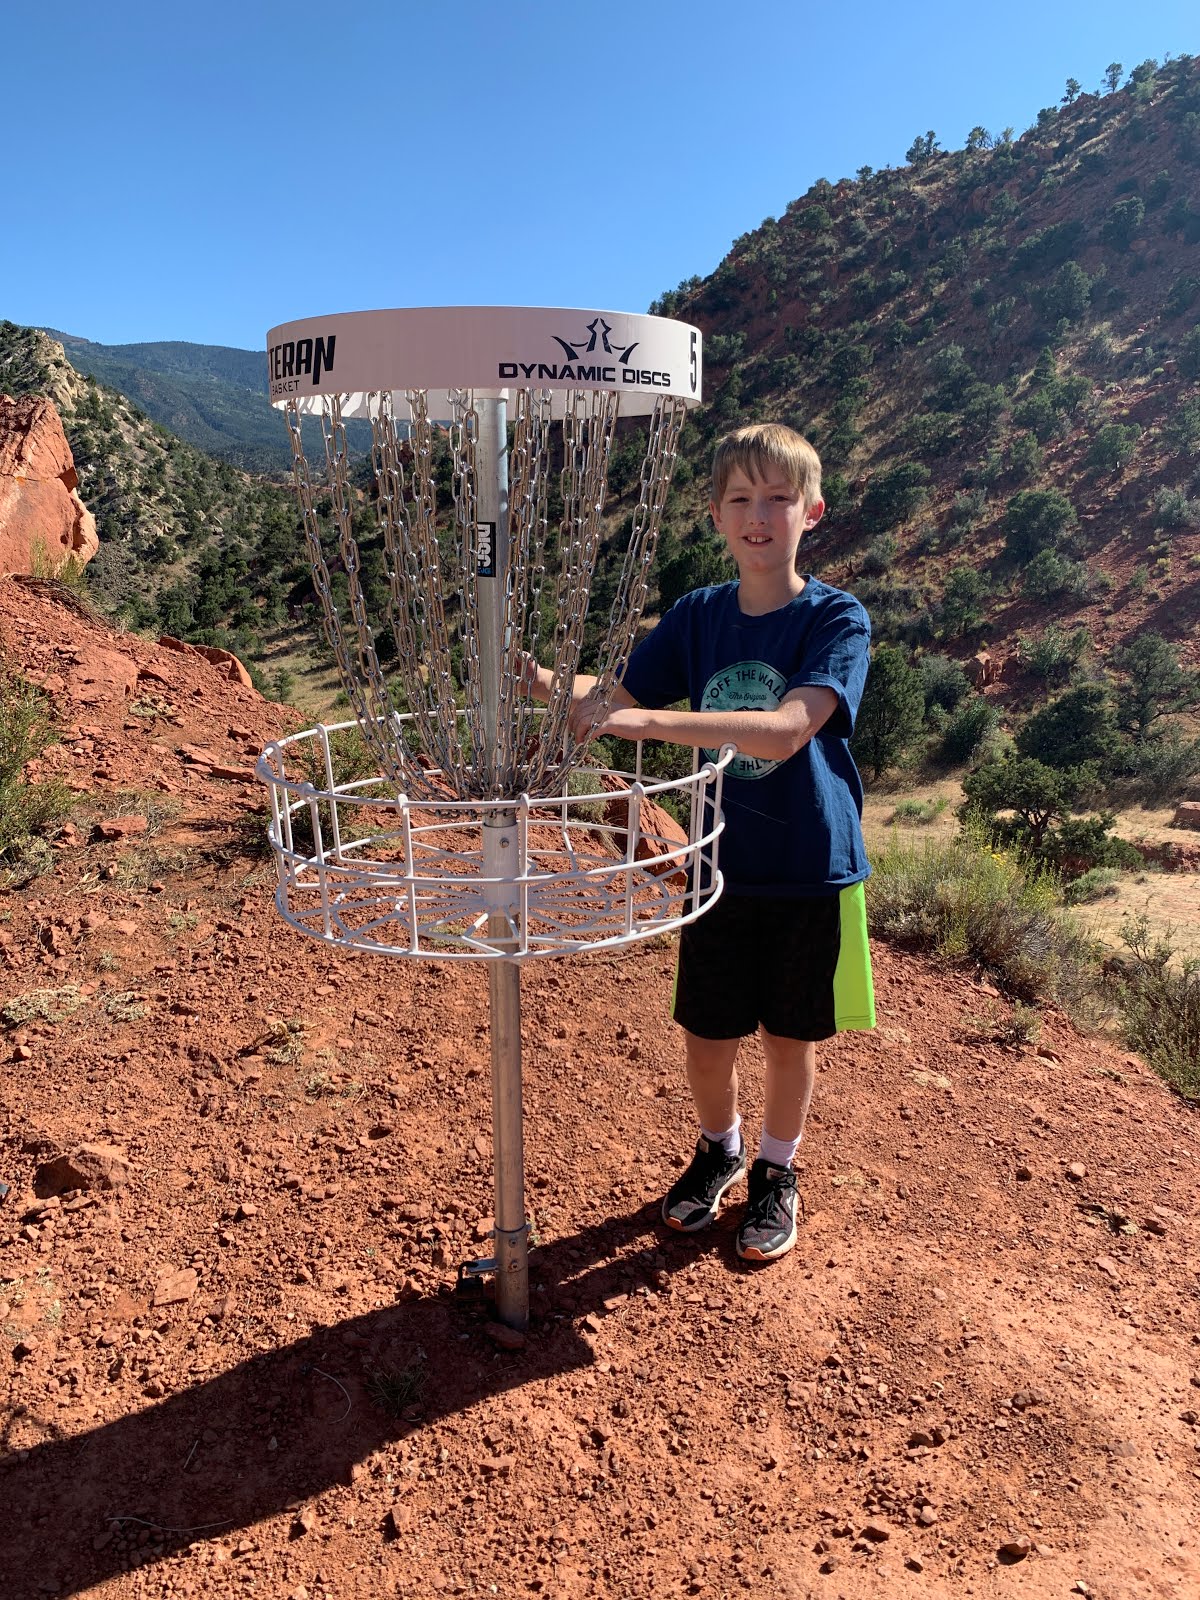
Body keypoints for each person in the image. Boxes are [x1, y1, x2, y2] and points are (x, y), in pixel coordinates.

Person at [528, 422, 875, 1262]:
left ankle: (775, 1172)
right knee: (707, 1036)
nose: (760, 516)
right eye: (741, 500)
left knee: (790, 1041)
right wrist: (538, 680)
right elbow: (614, 693)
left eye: (778, 499)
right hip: (718, 865)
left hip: (808, 868)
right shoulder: (698, 616)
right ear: (716, 517)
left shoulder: (836, 618)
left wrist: (641, 719)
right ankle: (718, 1150)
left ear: (812, 511)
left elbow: (789, 728)